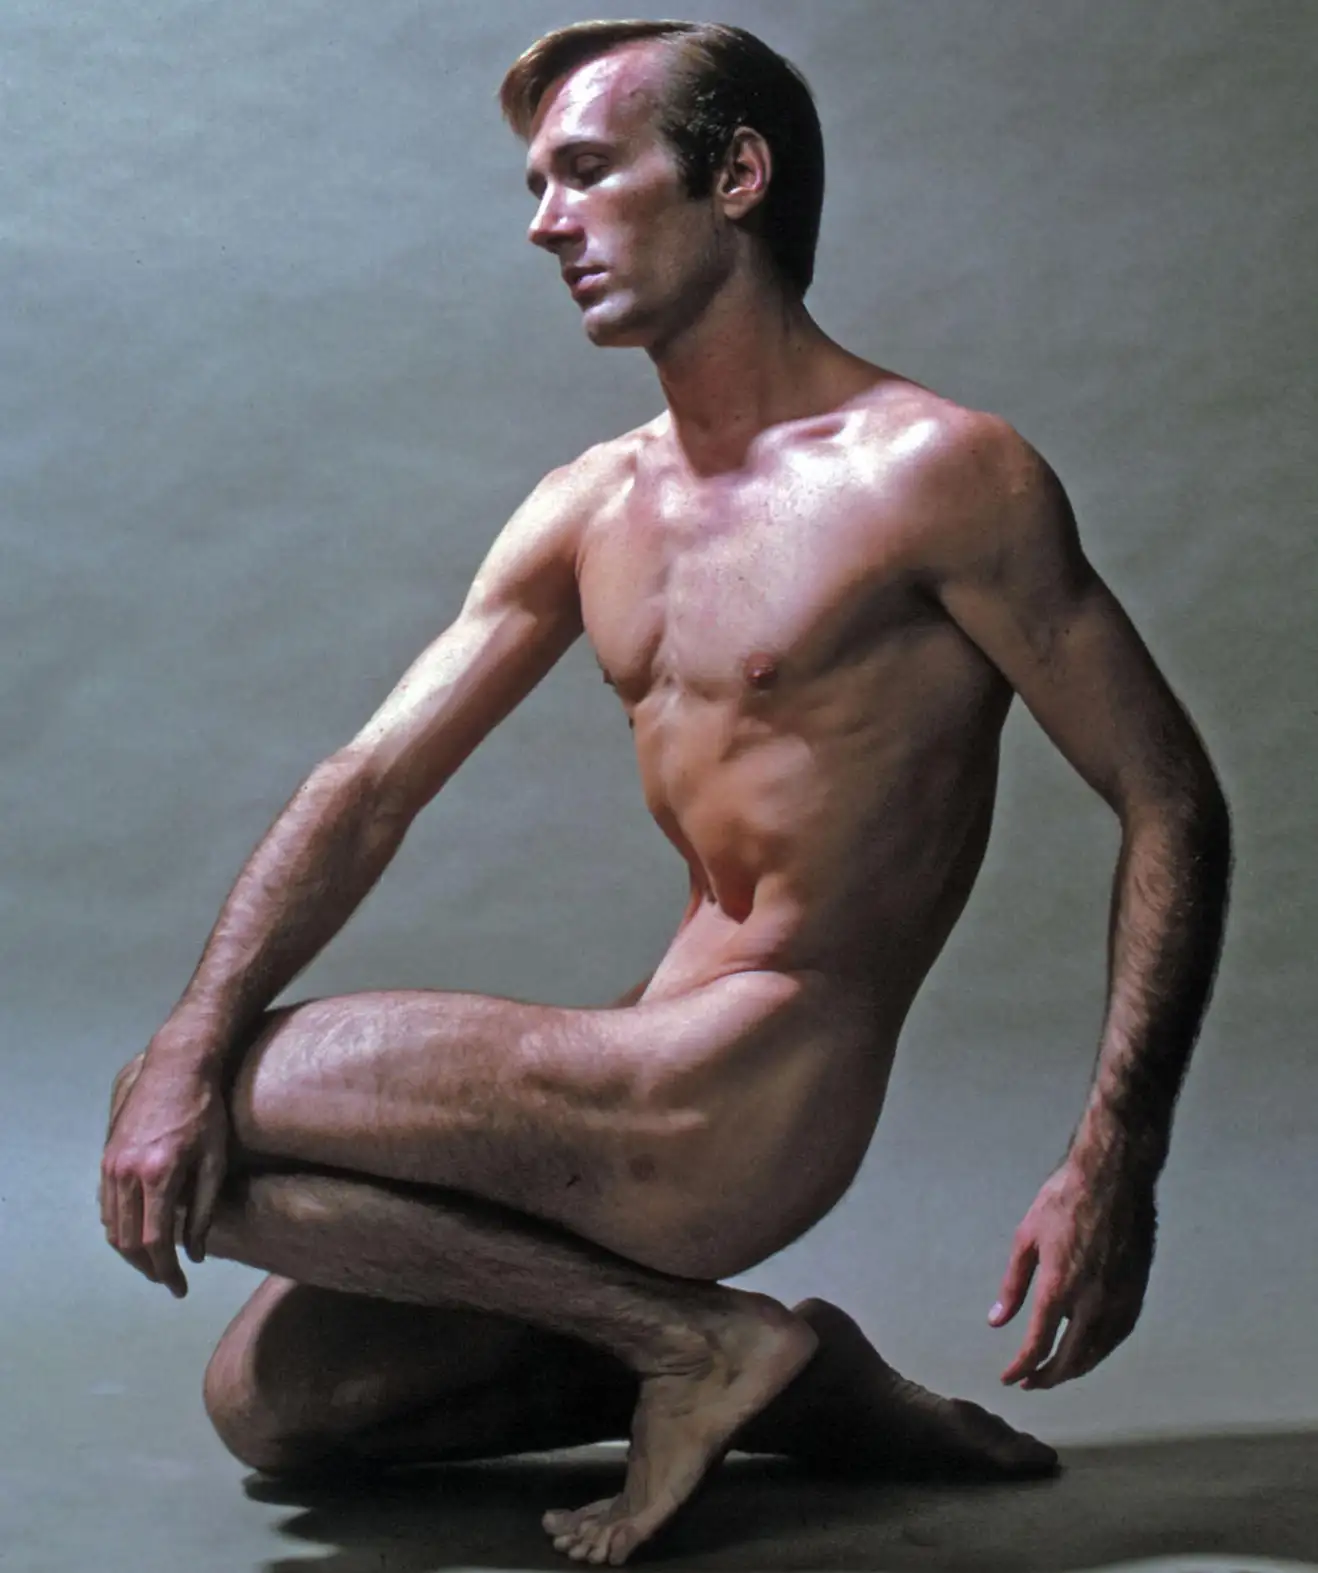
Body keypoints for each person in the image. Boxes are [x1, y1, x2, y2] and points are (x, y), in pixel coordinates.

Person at [99, 19, 1231, 1567]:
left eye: (583, 171)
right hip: (631, 1060)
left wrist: (1114, 1161)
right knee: (277, 1406)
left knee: (187, 1099)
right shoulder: (591, 502)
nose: (543, 222)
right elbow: (367, 787)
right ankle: (774, 1372)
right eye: (535, 184)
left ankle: (690, 1342)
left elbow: (1169, 801)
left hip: (753, 1084)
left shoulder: (935, 475)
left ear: (735, 175)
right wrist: (194, 1027)